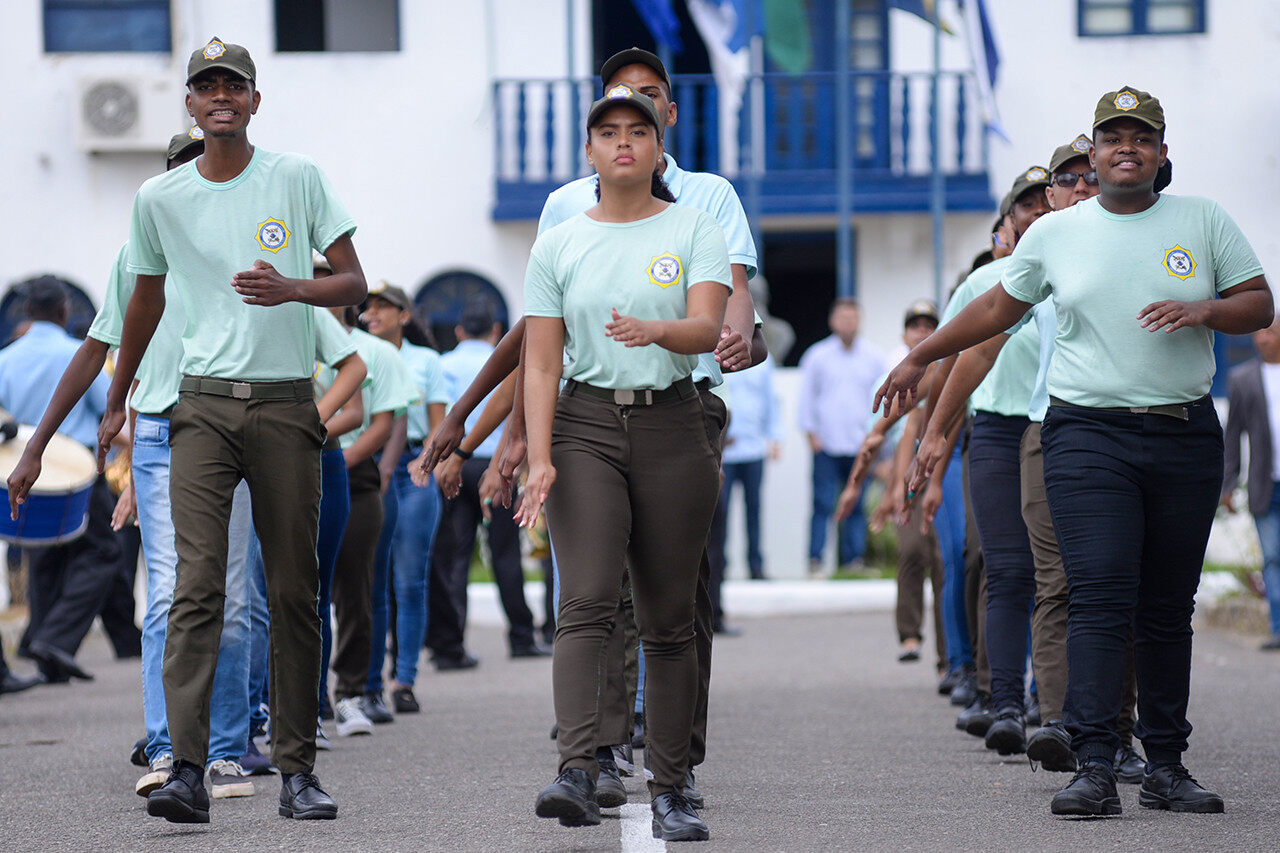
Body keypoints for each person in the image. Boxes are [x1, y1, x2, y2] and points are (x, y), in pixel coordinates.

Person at [878, 87, 1271, 817]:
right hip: (1088, 434)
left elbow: (1259, 302)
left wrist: (1207, 310)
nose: (1127, 148)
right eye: (1112, 137)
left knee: (1165, 607)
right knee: (1097, 594)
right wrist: (919, 359)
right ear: (1091, 152)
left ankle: (1167, 764)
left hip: (1185, 433)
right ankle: (1092, 760)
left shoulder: (1203, 219)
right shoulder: (1055, 234)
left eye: (1141, 137)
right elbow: (995, 312)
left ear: (1161, 152)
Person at [96, 37, 368, 823]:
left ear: (254, 100)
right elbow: (143, 301)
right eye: (206, 86)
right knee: (196, 587)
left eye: (234, 86)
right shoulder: (160, 197)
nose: (221, 96)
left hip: (285, 405)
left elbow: (351, 279)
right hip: (199, 406)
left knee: (290, 589)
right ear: (189, 103)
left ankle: (297, 772)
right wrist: (120, 399)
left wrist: (294, 288)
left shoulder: (296, 177)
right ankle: (184, 767)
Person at [517, 84, 729, 842]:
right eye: (607, 132)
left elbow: (709, 326)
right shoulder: (559, 240)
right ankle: (577, 767)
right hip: (583, 424)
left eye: (637, 130)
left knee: (670, 620)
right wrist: (538, 458)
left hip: (674, 423)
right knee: (587, 600)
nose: (623, 143)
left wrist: (658, 330)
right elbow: (540, 365)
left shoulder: (694, 226)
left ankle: (672, 785)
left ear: (658, 145)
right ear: (590, 151)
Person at [910, 135, 1149, 779]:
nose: (1077, 192)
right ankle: (1024, 707)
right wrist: (934, 432)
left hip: (1124, 427)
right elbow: (973, 349)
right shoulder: (1016, 269)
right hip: (1025, 430)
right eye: (1062, 185)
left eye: (1085, 180)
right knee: (1017, 570)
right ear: (1030, 207)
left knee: (1108, 585)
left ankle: (1110, 727)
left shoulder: (1133, 242)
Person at [0, 277, 120, 684]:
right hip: (79, 472)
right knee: (103, 552)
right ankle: (54, 639)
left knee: (44, 557)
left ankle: (44, 648)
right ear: (64, 311)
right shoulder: (78, 354)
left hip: (25, 471)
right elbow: (109, 412)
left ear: (27, 313)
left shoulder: (6, 358)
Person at [429, 300, 543, 667]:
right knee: (505, 553)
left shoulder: (444, 364)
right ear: (496, 331)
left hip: (458, 460)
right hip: (499, 462)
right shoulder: (508, 360)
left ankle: (452, 643)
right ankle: (521, 637)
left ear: (460, 331)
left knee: (456, 555)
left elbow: (441, 414)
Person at [324, 303, 416, 735]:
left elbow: (383, 423)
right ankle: (302, 701)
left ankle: (350, 693)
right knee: (297, 594)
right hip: (289, 470)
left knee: (356, 590)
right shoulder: (289, 341)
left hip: (351, 473)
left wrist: (338, 465)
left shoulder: (375, 352)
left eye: (326, 277)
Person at [362, 283, 450, 711]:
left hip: (414, 467)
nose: (372, 312)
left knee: (409, 578)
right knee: (372, 580)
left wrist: (427, 461)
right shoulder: (355, 352)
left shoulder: (426, 360)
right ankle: (368, 683)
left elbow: (439, 419)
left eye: (383, 306)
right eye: (368, 307)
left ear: (404, 315)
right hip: (367, 464)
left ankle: (405, 680)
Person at [799, 298, 885, 578]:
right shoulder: (816, 356)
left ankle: (853, 560)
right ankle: (815, 561)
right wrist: (812, 435)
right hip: (826, 443)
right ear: (833, 321)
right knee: (823, 503)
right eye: (843, 318)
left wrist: (876, 439)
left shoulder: (873, 357)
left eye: (854, 318)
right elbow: (807, 399)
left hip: (860, 444)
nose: (849, 323)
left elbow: (881, 400)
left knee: (857, 505)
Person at [1222, 315, 1280, 651]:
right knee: (1272, 557)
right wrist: (1229, 484)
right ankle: (1278, 627)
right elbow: (1233, 436)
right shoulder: (1242, 378)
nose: (1263, 338)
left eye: (1270, 331)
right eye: (1258, 333)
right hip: (1265, 485)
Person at [710, 355, 782, 589]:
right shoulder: (716, 354)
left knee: (754, 510)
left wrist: (775, 437)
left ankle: (756, 565)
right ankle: (722, 567)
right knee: (721, 512)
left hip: (754, 447)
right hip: (726, 451)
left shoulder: (762, 359)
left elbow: (771, 399)